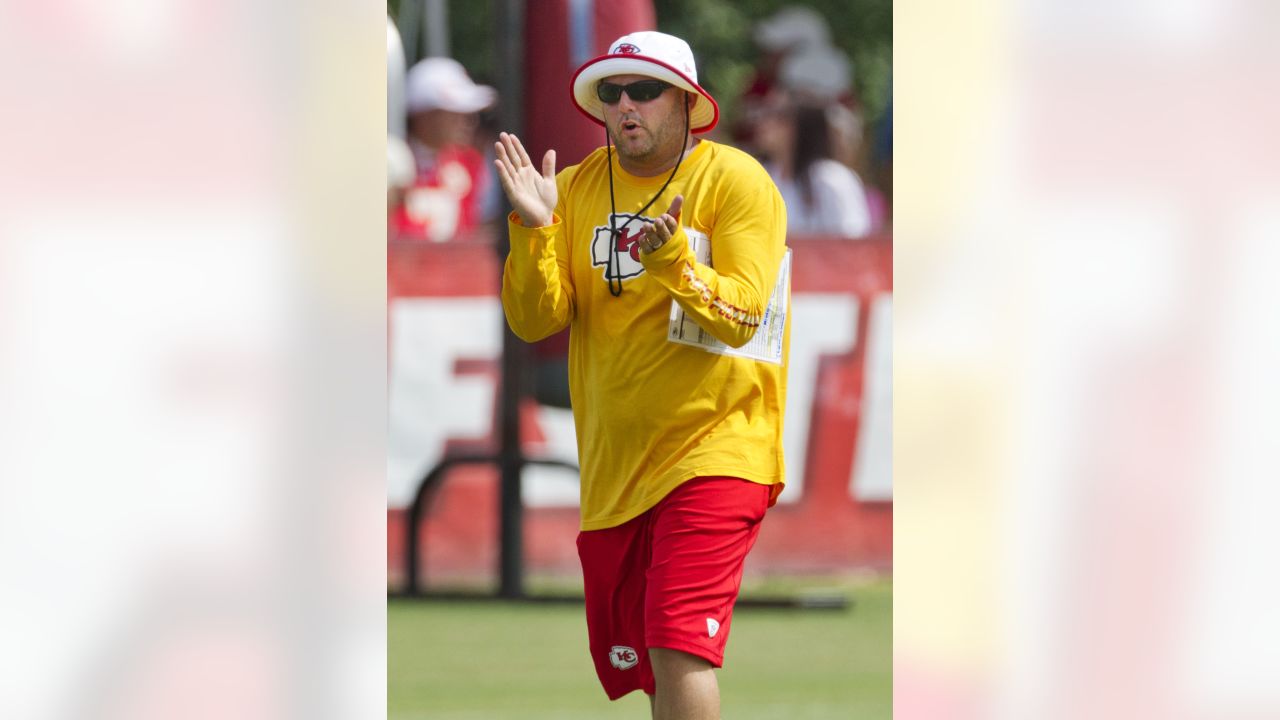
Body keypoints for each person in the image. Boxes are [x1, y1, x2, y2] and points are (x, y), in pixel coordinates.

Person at [494, 31, 788, 720]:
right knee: (651, 665)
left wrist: (673, 261)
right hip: (617, 472)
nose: (625, 104)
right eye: (612, 92)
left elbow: (742, 315)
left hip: (718, 449)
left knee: (677, 644)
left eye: (645, 89)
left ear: (688, 100)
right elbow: (535, 321)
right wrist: (533, 228)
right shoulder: (571, 189)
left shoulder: (735, 181)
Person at [392, 57, 497, 241]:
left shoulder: (472, 165)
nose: (469, 122)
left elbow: (484, 231)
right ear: (424, 115)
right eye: (456, 113)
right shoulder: (390, 163)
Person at [756, 93, 873, 238]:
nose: (765, 122)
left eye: (779, 115)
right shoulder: (762, 177)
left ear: (803, 125)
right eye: (764, 112)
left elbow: (853, 239)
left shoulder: (832, 178)